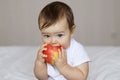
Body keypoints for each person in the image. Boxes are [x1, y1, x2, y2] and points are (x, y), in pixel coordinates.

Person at [34, 1, 90, 80]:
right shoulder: (45, 50)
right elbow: (42, 77)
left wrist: (64, 67)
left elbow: (82, 77)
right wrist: (39, 62)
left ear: (71, 31)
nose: (53, 41)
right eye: (47, 36)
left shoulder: (77, 50)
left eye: (59, 35)